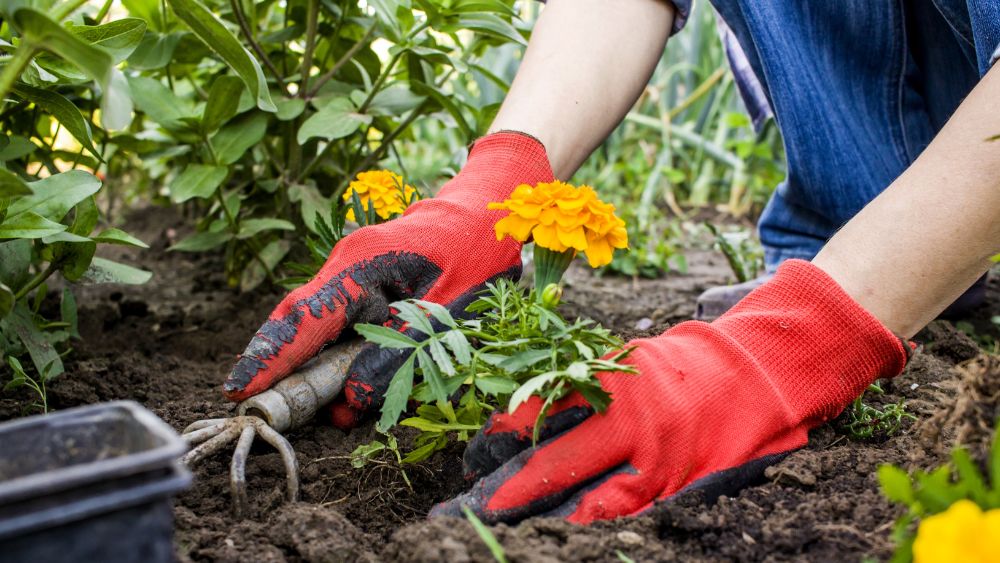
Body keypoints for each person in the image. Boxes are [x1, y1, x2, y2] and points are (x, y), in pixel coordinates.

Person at [223, 0, 1000, 524]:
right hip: (852, 218)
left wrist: (799, 340)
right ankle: (860, 255)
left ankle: (882, 278)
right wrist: (498, 183)